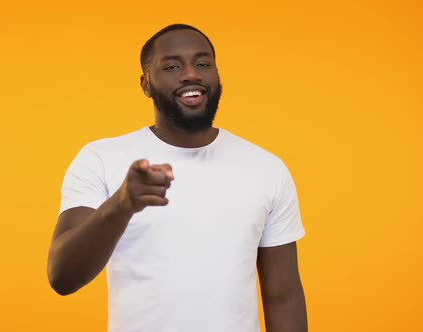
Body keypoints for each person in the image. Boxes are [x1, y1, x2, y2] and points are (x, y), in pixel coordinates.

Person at [47, 24, 308, 332]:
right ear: (145, 84)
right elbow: (62, 277)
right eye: (172, 66)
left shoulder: (267, 168)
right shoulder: (101, 159)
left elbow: (284, 297)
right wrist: (122, 205)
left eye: (203, 63)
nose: (191, 74)